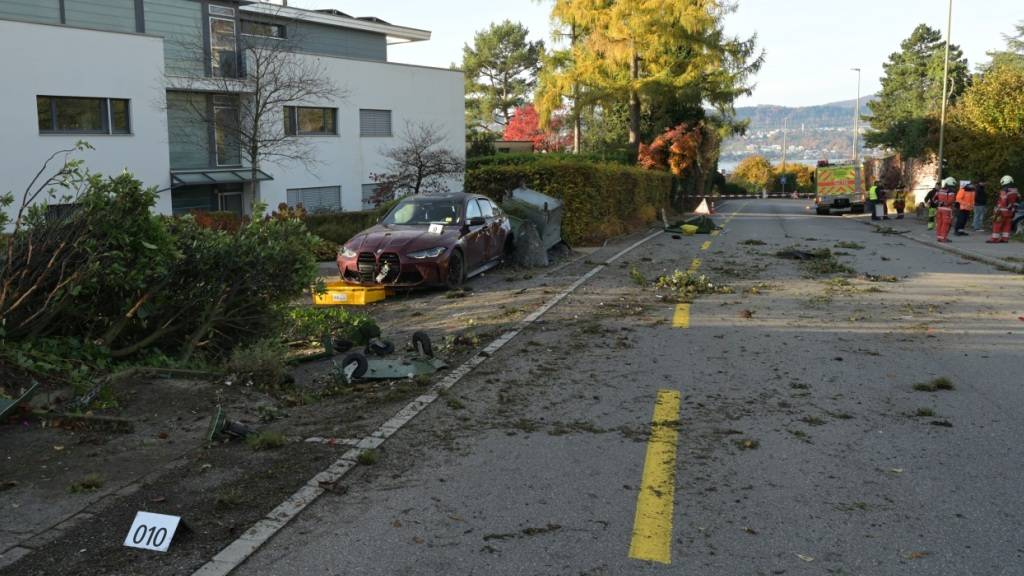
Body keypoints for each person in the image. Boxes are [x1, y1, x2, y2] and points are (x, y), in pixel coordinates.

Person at [988, 175, 1020, 243]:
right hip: (1011, 211)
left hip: (1002, 211)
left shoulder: (1004, 190)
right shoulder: (1015, 190)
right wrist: (1013, 208)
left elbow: (1003, 200)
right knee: (1007, 225)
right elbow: (1018, 200)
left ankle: (994, 239)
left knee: (997, 224)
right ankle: (1005, 239)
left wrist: (997, 209)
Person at [935, 177, 958, 243]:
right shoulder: (951, 192)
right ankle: (943, 238)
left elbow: (935, 199)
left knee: (940, 223)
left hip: (939, 209)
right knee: (946, 224)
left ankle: (939, 237)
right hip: (947, 210)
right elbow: (951, 201)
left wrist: (940, 203)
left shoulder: (940, 190)